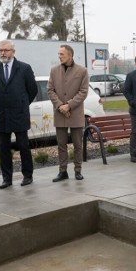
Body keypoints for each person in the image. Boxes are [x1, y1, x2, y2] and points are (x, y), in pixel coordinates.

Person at [0, 40, 38, 189]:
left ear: (13, 52)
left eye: (6, 50)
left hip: (19, 114)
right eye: (0, 50)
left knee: (23, 146)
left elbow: (32, 90)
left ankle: (27, 175)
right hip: (1, 114)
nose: (3, 53)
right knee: (3, 148)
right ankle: (7, 178)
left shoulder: (24, 68)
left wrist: (22, 104)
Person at [47, 44, 89, 181]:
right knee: (61, 145)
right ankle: (62, 171)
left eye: (62, 54)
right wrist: (60, 106)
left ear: (70, 55)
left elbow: (83, 92)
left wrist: (69, 106)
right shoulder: (54, 71)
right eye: (59, 54)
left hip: (75, 113)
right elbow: (50, 90)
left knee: (77, 144)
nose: (59, 56)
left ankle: (78, 170)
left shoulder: (82, 71)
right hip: (60, 113)